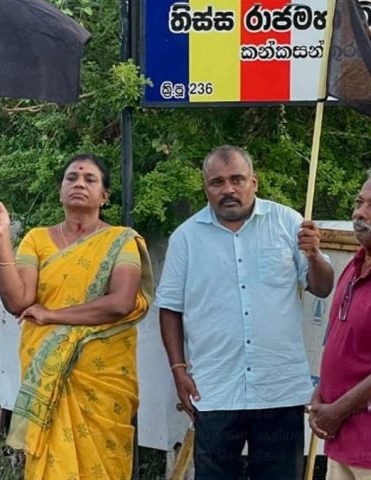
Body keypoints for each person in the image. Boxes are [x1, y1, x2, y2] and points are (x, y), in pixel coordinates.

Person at [157, 145, 335, 480]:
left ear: (254, 182)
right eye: (217, 182)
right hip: (215, 389)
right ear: (205, 187)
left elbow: (322, 287)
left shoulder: (288, 223)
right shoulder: (186, 238)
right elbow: (170, 308)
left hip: (278, 389)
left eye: (237, 179)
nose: (228, 189)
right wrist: (178, 369)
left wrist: (314, 256)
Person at [0, 154, 155, 480]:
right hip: (49, 376)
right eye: (71, 178)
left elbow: (120, 302)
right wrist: (2, 236)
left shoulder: (122, 241)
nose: (79, 184)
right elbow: (18, 301)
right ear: (60, 192)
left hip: (102, 384)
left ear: (104, 196)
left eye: (90, 179)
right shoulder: (36, 239)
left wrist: (53, 315)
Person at [309, 172, 371, 480]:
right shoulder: (355, 266)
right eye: (360, 202)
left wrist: (337, 410)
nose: (360, 213)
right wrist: (320, 396)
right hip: (341, 441)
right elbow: (338, 343)